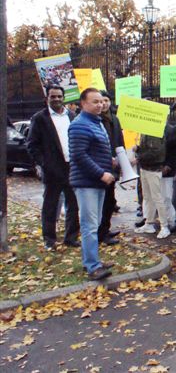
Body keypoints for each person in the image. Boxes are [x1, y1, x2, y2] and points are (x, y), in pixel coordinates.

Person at [68, 88, 114, 280]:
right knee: (89, 225)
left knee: (94, 223)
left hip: (97, 183)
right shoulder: (79, 125)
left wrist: (110, 161)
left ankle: (93, 260)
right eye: (95, 102)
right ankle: (92, 266)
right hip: (88, 182)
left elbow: (95, 150)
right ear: (83, 104)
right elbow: (79, 156)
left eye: (101, 101)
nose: (100, 104)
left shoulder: (97, 123)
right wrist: (101, 173)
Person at [27, 85, 80, 250]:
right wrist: (44, 164)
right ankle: (49, 240)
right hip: (52, 169)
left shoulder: (72, 116)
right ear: (47, 98)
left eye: (59, 96)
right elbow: (32, 145)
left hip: (72, 167)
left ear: (63, 98)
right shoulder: (39, 118)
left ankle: (71, 238)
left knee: (73, 204)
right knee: (50, 205)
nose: (56, 99)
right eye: (53, 96)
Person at [97, 91, 123, 246]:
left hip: (114, 165)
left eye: (106, 100)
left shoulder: (114, 119)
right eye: (101, 100)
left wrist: (122, 160)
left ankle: (105, 229)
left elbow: (119, 139)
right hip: (102, 167)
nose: (104, 103)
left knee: (110, 200)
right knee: (103, 201)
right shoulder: (96, 120)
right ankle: (101, 233)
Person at [134, 131, 171, 239]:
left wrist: (139, 157)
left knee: (157, 197)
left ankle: (164, 226)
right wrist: (138, 148)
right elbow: (147, 148)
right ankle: (149, 223)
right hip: (145, 167)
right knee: (147, 197)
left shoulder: (157, 132)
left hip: (154, 168)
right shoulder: (145, 131)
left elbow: (157, 152)